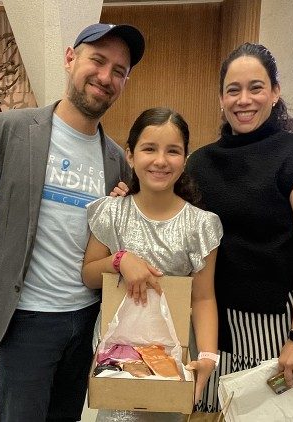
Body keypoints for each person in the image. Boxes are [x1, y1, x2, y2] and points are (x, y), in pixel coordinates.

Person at [0, 23, 144, 422]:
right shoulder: (12, 129)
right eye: (98, 61)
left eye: (119, 71)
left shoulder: (115, 160)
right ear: (70, 58)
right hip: (25, 319)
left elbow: (116, 235)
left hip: (85, 320)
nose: (105, 77)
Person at [186, 43, 293, 412]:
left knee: (269, 415)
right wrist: (127, 193)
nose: (244, 100)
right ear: (221, 97)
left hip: (274, 323)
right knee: (209, 412)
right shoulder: (200, 163)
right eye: (233, 90)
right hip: (211, 320)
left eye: (256, 87)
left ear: (275, 92)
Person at [82, 107, 222, 422]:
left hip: (172, 351)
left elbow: (203, 297)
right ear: (130, 155)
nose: (160, 160)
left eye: (172, 151)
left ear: (185, 159)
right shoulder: (112, 213)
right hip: (117, 353)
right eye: (149, 148)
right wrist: (119, 259)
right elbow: (89, 274)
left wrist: (209, 357)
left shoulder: (200, 225)